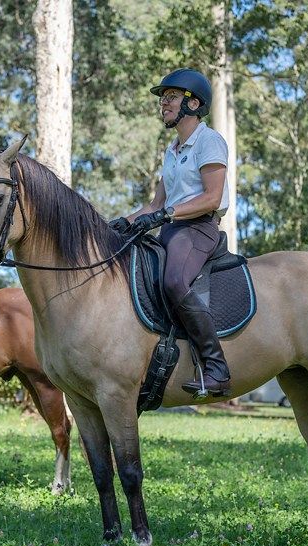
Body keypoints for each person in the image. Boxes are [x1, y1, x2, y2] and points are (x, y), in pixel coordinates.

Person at [109, 68, 231, 398]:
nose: (163, 104)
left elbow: (212, 197)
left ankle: (216, 367)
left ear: (193, 103)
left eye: (171, 97)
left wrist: (166, 214)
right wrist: (122, 222)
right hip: (173, 229)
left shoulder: (209, 141)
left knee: (173, 281)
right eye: (163, 99)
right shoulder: (172, 151)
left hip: (199, 229)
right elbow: (155, 204)